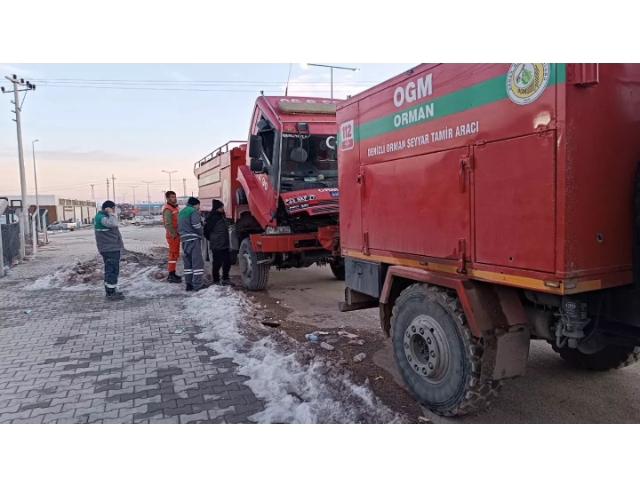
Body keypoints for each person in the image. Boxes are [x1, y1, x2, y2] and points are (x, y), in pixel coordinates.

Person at [94, 200, 125, 300]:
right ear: (108, 208)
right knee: (112, 270)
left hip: (110, 248)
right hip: (109, 248)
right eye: (113, 208)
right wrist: (111, 213)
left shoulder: (102, 217)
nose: (114, 211)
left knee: (111, 269)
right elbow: (113, 223)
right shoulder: (102, 217)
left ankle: (111, 289)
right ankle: (110, 293)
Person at [178, 197, 208, 292]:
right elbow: (196, 225)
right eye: (198, 205)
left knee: (188, 263)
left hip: (184, 240)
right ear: (195, 204)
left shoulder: (181, 212)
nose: (199, 208)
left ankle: (189, 284)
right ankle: (198, 285)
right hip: (193, 239)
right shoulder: (193, 211)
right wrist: (202, 233)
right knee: (197, 262)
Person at [204, 199, 231, 286]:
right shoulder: (212, 218)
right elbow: (206, 230)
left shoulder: (222, 216)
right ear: (217, 208)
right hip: (217, 244)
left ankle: (225, 278)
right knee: (217, 263)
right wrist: (212, 239)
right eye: (221, 207)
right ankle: (216, 280)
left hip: (224, 243)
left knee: (227, 262)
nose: (223, 208)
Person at [162, 191, 182, 284]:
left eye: (175, 196)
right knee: (173, 255)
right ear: (168, 198)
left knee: (175, 254)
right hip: (173, 236)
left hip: (176, 234)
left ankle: (173, 273)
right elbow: (168, 223)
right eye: (172, 197)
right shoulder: (168, 209)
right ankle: (171, 274)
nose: (174, 198)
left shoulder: (174, 207)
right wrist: (174, 234)